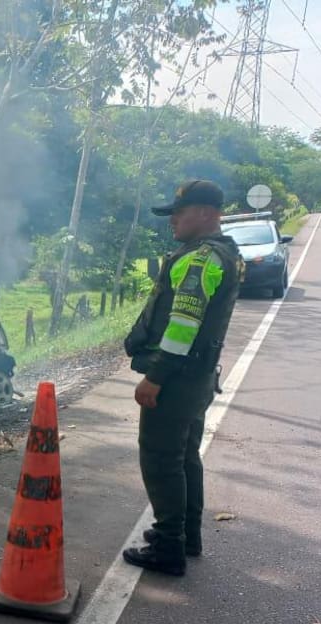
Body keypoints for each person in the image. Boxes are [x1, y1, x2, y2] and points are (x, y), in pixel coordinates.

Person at [121, 180, 245, 576]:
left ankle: (169, 545)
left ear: (208, 214)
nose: (172, 220)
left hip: (177, 380)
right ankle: (186, 535)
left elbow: (182, 327)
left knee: (161, 461)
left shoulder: (200, 259)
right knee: (185, 457)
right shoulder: (222, 253)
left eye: (181, 212)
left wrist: (154, 379)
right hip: (198, 378)